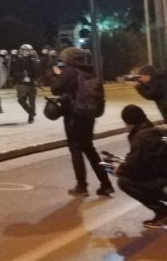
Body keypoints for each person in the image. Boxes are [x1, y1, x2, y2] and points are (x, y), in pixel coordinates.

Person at [51, 47, 114, 197]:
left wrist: (57, 74)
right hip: (89, 115)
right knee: (90, 150)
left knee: (76, 150)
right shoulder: (89, 71)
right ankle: (106, 184)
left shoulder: (70, 72)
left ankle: (81, 185)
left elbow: (55, 89)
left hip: (75, 116)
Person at [110, 105, 167, 228]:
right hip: (163, 177)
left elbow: (133, 165)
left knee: (124, 182)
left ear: (128, 122)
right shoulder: (156, 131)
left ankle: (163, 213)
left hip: (163, 182)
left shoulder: (142, 137)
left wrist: (119, 169)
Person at [11, 43, 40, 123]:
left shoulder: (34, 60)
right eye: (24, 51)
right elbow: (15, 72)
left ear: (30, 51)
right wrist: (23, 76)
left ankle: (31, 117)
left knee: (32, 101)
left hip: (32, 83)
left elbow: (38, 72)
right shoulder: (18, 60)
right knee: (21, 100)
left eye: (27, 51)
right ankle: (31, 112)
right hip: (22, 84)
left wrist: (32, 78)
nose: (25, 52)